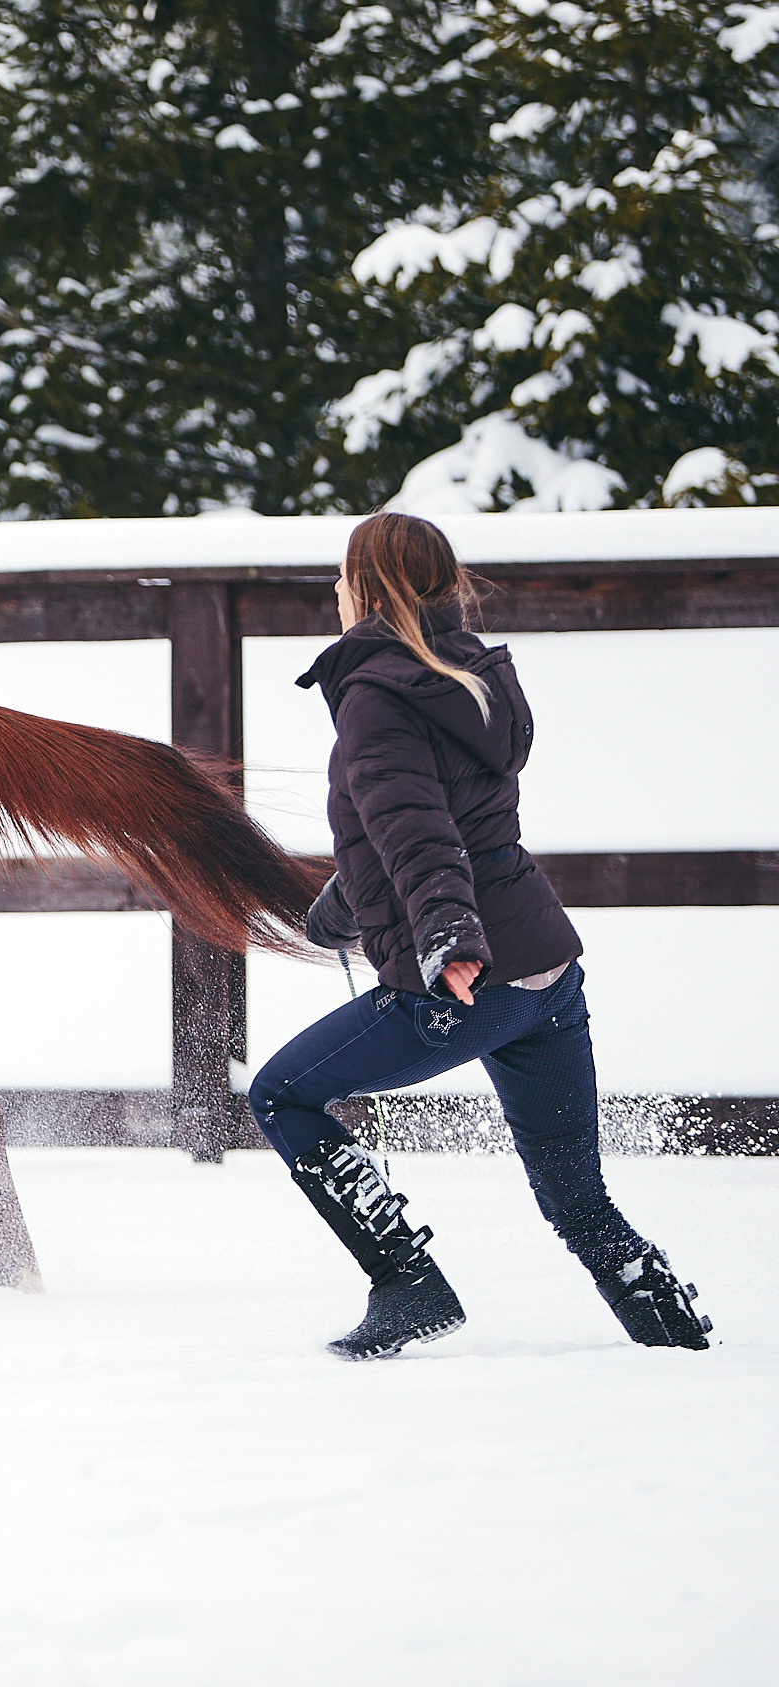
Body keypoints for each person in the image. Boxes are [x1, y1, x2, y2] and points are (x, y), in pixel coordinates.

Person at [247, 512, 712, 1360]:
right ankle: (678, 1344)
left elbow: (422, 836)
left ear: (368, 589)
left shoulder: (376, 697)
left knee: (281, 1093)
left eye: (343, 577)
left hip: (468, 978)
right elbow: (425, 828)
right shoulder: (466, 679)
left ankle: (407, 1281)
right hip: (546, 972)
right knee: (578, 1202)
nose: (335, 591)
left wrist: (449, 941)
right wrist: (338, 913)